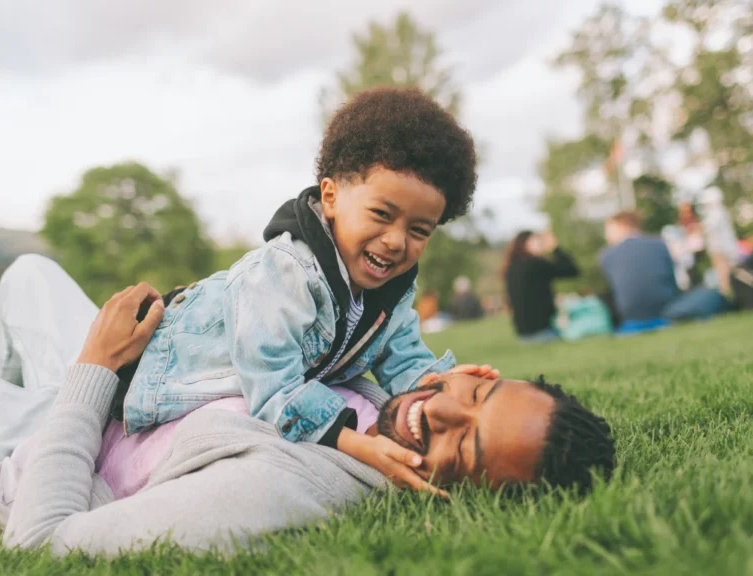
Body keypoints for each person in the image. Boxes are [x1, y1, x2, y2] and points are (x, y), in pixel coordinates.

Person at [0, 256, 616, 554]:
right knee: (27, 272)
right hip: (123, 394)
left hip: (65, 436)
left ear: (465, 495)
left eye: (467, 449)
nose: (441, 414)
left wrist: (92, 370)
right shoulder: (395, 395)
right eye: (475, 393)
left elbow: (42, 541)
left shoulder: (286, 488)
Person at [106, 87, 482, 492]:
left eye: (418, 230)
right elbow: (273, 389)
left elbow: (402, 359)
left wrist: (445, 386)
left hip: (244, 391)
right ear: (331, 197)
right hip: (155, 381)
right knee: (269, 445)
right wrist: (359, 447)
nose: (395, 241)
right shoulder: (285, 271)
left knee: (341, 404)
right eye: (381, 214)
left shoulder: (392, 291)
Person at [600, 211, 728, 332]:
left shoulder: (605, 256)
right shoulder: (660, 244)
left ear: (621, 226)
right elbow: (671, 282)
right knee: (711, 294)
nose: (606, 235)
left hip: (630, 319)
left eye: (608, 230)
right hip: (666, 312)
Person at [503, 231, 580, 342]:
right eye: (536, 240)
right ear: (525, 244)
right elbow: (572, 270)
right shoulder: (536, 264)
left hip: (522, 336)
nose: (541, 243)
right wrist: (555, 248)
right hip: (542, 333)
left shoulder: (511, 269)